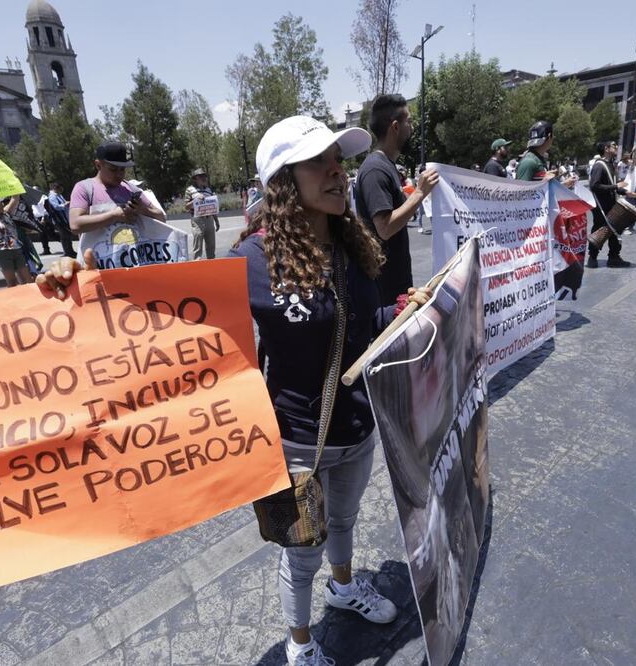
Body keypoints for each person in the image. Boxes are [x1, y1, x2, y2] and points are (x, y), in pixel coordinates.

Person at [36, 115, 434, 666]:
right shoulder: (250, 261)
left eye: (338, 161)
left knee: (343, 522)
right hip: (295, 442)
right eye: (319, 162)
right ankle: (300, 644)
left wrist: (403, 309)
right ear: (283, 182)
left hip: (359, 429)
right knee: (302, 550)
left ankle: (343, 588)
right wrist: (76, 284)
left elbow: (368, 322)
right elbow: (153, 314)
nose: (338, 172)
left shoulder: (355, 246)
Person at [356, 93, 439, 304]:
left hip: (394, 285)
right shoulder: (376, 169)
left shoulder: (387, 166)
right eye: (408, 122)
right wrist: (419, 193)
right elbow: (384, 228)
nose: (411, 128)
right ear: (395, 127)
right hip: (384, 291)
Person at [69, 142, 168, 243]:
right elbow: (75, 225)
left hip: (133, 257)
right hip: (96, 258)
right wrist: (114, 216)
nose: (119, 174)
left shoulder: (131, 189)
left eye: (122, 169)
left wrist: (144, 210)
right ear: (98, 165)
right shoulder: (84, 188)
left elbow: (161, 218)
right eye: (113, 169)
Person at [587, 140, 631, 268]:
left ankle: (614, 257)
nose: (616, 147)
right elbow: (594, 186)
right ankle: (592, 257)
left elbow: (613, 184)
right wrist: (615, 186)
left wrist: (625, 192)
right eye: (613, 146)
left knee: (616, 229)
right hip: (601, 205)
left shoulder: (611, 164)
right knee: (599, 230)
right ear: (606, 149)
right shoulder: (599, 165)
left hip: (611, 203)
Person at [185, 168, 220, 259]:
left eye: (204, 176)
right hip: (197, 220)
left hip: (209, 219)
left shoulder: (209, 190)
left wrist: (216, 220)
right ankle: (197, 265)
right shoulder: (190, 190)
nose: (204, 178)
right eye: (201, 176)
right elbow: (186, 206)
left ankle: (211, 265)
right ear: (195, 178)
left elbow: (212, 207)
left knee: (211, 245)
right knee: (198, 245)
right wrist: (195, 201)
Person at [45, 183, 76, 258]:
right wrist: (65, 204)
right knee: (64, 236)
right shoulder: (52, 196)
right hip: (58, 219)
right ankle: (67, 252)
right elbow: (56, 207)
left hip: (64, 218)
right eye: (60, 188)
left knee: (67, 235)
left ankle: (70, 251)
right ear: (56, 188)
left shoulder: (59, 195)